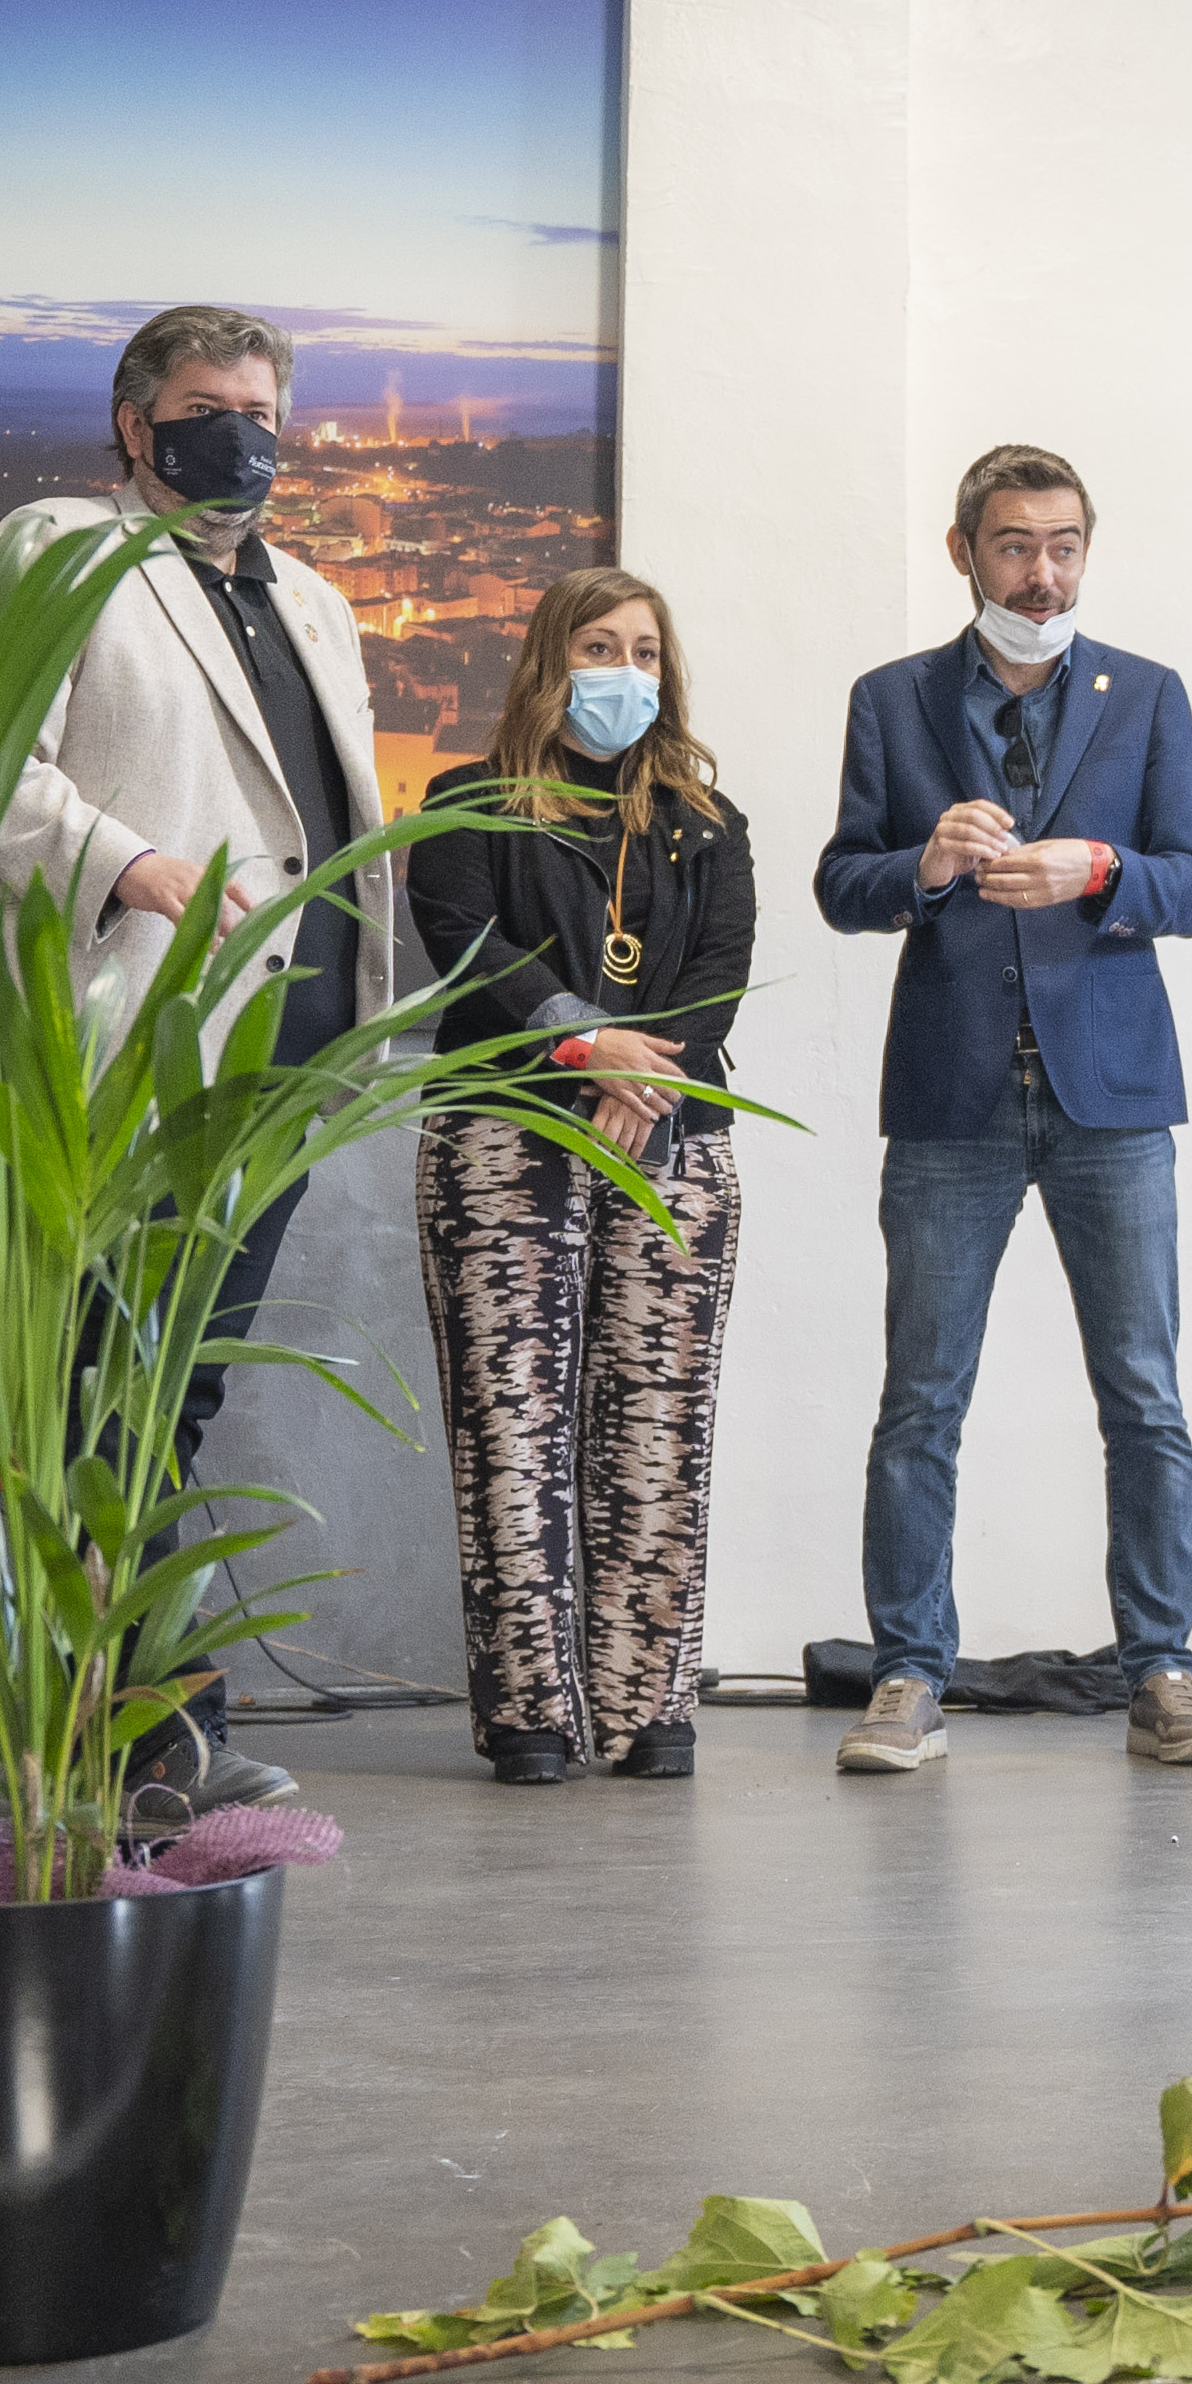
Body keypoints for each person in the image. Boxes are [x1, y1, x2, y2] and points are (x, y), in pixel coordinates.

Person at [0, 302, 388, 1813]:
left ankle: (150, 1731)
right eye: (204, 408)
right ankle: (132, 1739)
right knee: (101, 1392)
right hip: (119, 1036)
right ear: (135, 425)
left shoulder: (314, 602)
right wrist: (135, 865)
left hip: (287, 1051)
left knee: (174, 1390)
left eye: (261, 412)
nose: (239, 436)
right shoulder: (60, 548)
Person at [813, 444, 1192, 1775]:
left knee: (1144, 1397)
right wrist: (922, 866)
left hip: (1112, 1096)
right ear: (964, 552)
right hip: (953, 1098)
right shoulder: (892, 699)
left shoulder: (1146, 696)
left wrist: (1102, 868)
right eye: (1013, 545)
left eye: (1062, 545)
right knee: (920, 1400)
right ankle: (906, 1675)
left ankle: (1162, 1669)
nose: (1041, 573)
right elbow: (841, 881)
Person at [408, 570, 755, 1787]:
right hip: (504, 1142)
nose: (626, 673)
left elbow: (719, 972)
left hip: (672, 1145)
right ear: (550, 661)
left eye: (646, 652)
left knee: (659, 1425)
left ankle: (649, 1703)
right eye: (600, 648)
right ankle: (530, 1714)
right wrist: (582, 1040)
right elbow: (465, 943)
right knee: (512, 1430)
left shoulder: (708, 822)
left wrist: (637, 1076)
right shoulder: (466, 803)